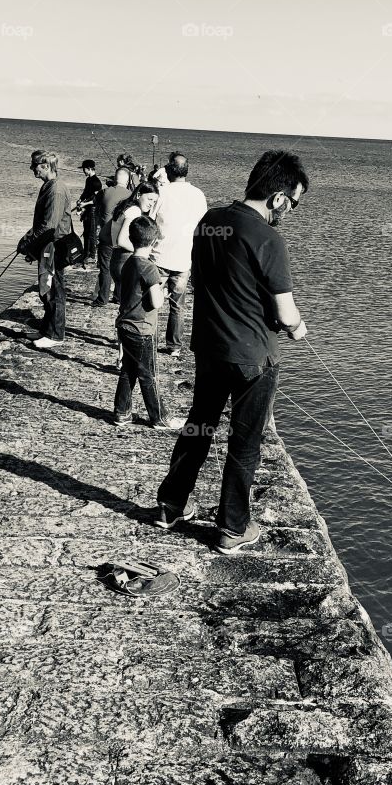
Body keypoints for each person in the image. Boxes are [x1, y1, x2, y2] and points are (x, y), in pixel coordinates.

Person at [155, 149, 309, 554]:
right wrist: (297, 328)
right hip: (253, 359)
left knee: (198, 426)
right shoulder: (269, 238)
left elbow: (211, 281)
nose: (289, 212)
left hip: (209, 348)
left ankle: (170, 506)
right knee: (245, 441)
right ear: (278, 197)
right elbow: (286, 312)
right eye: (293, 203)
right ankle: (232, 528)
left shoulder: (210, 221)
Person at [113, 216, 185, 431]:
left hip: (125, 325)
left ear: (131, 238)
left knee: (129, 370)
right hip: (142, 329)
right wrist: (163, 291)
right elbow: (156, 302)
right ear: (154, 242)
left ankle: (122, 412)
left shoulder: (128, 263)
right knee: (148, 375)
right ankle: (159, 417)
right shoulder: (149, 268)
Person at [151, 152, 207, 357]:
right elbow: (202, 227)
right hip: (184, 258)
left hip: (159, 255)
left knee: (151, 302)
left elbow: (149, 221)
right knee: (178, 305)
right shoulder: (198, 195)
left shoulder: (161, 192)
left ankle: (148, 339)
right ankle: (174, 346)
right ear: (187, 171)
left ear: (168, 170)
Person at [23, 151, 72, 349]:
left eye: (34, 165)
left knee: (53, 289)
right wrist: (30, 243)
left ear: (45, 166)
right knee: (46, 288)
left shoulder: (56, 190)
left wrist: (28, 243)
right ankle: (46, 330)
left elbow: (49, 226)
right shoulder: (49, 186)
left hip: (54, 246)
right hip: (47, 245)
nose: (31, 169)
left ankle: (56, 335)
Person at [109, 181, 160, 301]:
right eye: (149, 199)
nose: (151, 204)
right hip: (124, 258)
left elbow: (108, 233)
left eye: (154, 201)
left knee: (124, 302)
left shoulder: (125, 207)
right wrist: (142, 252)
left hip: (116, 257)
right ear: (138, 195)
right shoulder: (134, 211)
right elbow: (121, 240)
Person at [93, 167, 132, 306]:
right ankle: (118, 296)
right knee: (120, 267)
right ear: (127, 181)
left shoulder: (105, 192)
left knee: (105, 268)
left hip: (107, 235)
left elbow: (96, 204)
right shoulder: (131, 195)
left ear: (115, 179)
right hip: (123, 236)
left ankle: (102, 298)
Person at [76, 160, 103, 266]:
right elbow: (85, 192)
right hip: (87, 210)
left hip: (93, 210)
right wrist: (80, 199)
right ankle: (86, 253)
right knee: (86, 232)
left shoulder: (97, 182)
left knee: (92, 233)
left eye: (84, 169)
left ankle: (92, 255)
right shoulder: (88, 180)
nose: (83, 171)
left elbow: (97, 199)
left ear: (89, 169)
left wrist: (84, 204)